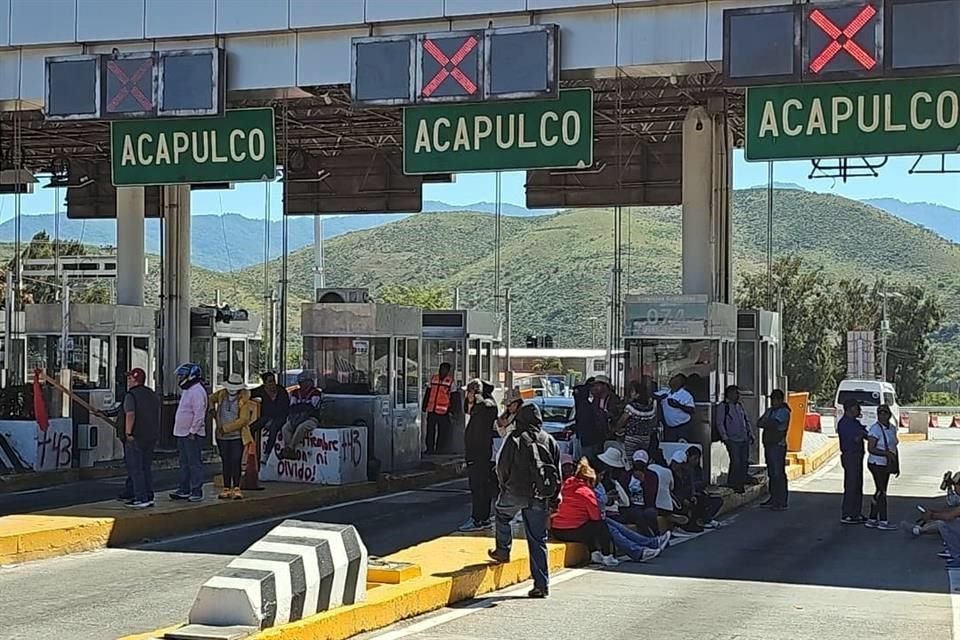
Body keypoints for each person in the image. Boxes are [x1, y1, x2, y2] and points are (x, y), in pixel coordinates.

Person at [488, 403, 561, 599]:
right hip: (540, 495)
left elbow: (502, 466)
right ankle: (541, 585)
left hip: (515, 491)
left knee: (502, 515)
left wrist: (504, 487)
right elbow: (556, 472)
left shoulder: (514, 438)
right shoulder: (549, 440)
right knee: (538, 540)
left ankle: (503, 550)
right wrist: (554, 497)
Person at [550, 458, 621, 567]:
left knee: (585, 525)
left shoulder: (564, 487)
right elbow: (595, 517)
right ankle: (607, 556)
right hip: (574, 531)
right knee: (600, 526)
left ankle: (594, 553)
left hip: (557, 531)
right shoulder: (586, 492)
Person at [209, 374, 257, 500]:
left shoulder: (244, 400)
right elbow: (210, 399)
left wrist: (225, 428)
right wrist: (212, 410)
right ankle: (226, 488)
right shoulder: (221, 394)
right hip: (221, 436)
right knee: (226, 461)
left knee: (236, 461)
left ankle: (236, 487)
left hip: (237, 436)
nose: (231, 390)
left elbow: (244, 420)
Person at [460, 379, 499, 532]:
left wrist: (475, 399)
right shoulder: (483, 407)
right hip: (479, 452)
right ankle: (483, 517)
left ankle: (478, 519)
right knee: (482, 487)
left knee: (479, 487)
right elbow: (468, 411)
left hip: (479, 453)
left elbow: (479, 408)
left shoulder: (486, 406)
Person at [119, 368, 160, 509]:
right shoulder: (151, 394)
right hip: (151, 435)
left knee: (136, 468)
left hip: (136, 436)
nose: (128, 381)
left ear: (133, 380)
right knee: (146, 467)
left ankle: (140, 498)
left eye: (130, 378)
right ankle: (148, 495)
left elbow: (130, 414)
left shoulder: (131, 395)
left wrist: (128, 432)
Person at [170, 363, 207, 502]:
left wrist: (193, 431)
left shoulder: (197, 391)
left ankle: (196, 490)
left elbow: (199, 414)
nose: (180, 379)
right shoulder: (188, 390)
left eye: (182, 376)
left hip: (191, 434)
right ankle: (184, 489)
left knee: (194, 463)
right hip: (182, 433)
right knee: (184, 463)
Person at [865, 404, 899, 531]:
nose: (882, 416)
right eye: (880, 413)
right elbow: (871, 448)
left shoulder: (892, 428)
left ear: (889, 415)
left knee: (879, 491)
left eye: (885, 413)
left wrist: (896, 464)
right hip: (876, 463)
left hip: (886, 464)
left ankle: (872, 518)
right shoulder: (875, 429)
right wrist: (886, 454)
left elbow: (894, 447)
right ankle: (883, 520)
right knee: (882, 491)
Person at [758, 389, 791, 511]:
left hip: (778, 445)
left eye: (775, 399)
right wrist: (767, 423)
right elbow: (759, 422)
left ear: (780, 400)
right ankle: (773, 498)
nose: (773, 402)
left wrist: (767, 423)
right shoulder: (770, 411)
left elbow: (773, 423)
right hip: (769, 443)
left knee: (778, 473)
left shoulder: (783, 412)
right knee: (772, 473)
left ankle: (781, 500)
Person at [715, 385, 752, 493]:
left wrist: (750, 433)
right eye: (736, 393)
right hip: (732, 439)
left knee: (744, 462)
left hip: (743, 438)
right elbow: (720, 423)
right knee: (736, 461)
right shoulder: (723, 406)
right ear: (730, 394)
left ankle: (741, 482)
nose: (738, 395)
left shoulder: (739, 406)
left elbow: (746, 420)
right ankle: (733, 482)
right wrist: (725, 437)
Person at [837, 398, 868, 524]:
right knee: (851, 484)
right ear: (850, 409)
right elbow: (854, 439)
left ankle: (856, 513)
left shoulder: (856, 422)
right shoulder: (844, 423)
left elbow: (866, 434)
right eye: (857, 407)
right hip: (850, 455)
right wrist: (861, 434)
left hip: (858, 455)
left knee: (858, 484)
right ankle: (847, 513)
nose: (859, 410)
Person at [279, 372, 323, 459]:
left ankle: (290, 449)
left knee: (301, 427)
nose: (303, 384)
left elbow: (313, 407)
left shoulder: (316, 392)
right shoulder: (295, 392)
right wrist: (303, 406)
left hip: (311, 418)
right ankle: (289, 450)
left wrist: (300, 406)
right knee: (285, 428)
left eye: (306, 381)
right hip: (296, 418)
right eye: (301, 382)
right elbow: (292, 406)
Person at [250, 371, 290, 465]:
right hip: (266, 416)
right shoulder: (261, 390)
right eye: (270, 381)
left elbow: (286, 407)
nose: (273, 384)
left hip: (280, 416)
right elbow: (248, 394)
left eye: (274, 381)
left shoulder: (281, 390)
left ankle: (266, 454)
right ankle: (251, 449)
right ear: (265, 383)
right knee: (251, 427)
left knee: (273, 428)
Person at [617, 379, 660, 462]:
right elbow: (653, 421)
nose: (631, 394)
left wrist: (616, 429)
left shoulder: (631, 407)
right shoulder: (651, 407)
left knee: (630, 460)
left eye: (632, 392)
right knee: (641, 459)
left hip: (632, 437)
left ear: (638, 394)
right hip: (645, 438)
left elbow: (622, 420)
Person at [682, 446, 723, 529]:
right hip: (688, 495)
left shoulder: (698, 470)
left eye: (698, 458)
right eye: (694, 458)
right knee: (699, 500)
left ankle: (705, 519)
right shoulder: (684, 470)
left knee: (717, 501)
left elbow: (703, 482)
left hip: (700, 493)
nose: (696, 461)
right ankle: (706, 520)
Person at [624, 450, 661, 537]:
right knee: (637, 514)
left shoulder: (652, 475)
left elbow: (651, 497)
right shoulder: (626, 475)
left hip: (646, 506)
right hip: (631, 506)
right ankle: (650, 537)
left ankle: (656, 534)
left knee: (650, 513)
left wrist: (643, 481)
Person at [422, 362, 456, 454]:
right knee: (430, 430)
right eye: (441, 369)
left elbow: (453, 398)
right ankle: (429, 449)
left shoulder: (450, 382)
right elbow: (428, 392)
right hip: (432, 409)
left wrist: (452, 410)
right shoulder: (433, 379)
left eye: (444, 369)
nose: (442, 371)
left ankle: (440, 449)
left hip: (444, 411)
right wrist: (424, 406)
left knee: (442, 431)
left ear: (448, 371)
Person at [658, 374, 696, 443]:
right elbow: (651, 395)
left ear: (680, 383)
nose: (672, 380)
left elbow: (691, 410)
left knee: (682, 446)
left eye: (676, 379)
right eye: (672, 378)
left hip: (683, 427)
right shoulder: (665, 392)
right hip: (669, 427)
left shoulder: (686, 395)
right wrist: (659, 397)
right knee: (670, 446)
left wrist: (678, 405)